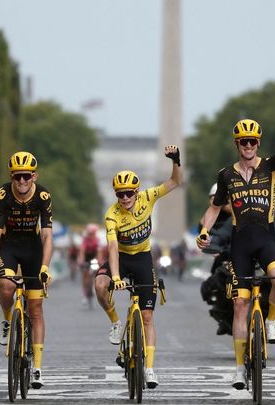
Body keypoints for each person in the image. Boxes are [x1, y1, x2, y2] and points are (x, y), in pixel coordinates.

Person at [196, 105, 275, 390]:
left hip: (265, 239)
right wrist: (204, 231)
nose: (248, 145)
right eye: (243, 141)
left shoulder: (270, 166)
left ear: (258, 143)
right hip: (240, 244)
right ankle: (240, 368)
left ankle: (270, 321)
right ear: (237, 144)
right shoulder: (225, 175)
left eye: (253, 141)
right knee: (240, 305)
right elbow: (214, 208)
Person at [94, 145, 183, 389]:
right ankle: (115, 321)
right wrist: (115, 276)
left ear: (137, 191)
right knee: (100, 285)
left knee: (147, 317)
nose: (124, 199)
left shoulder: (148, 197)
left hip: (143, 258)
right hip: (121, 259)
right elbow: (112, 248)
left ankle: (150, 369)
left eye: (128, 194)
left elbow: (176, 181)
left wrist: (176, 160)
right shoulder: (112, 215)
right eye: (119, 194)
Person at [0, 151, 53, 389]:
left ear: (34, 176)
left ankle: (37, 368)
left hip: (33, 250)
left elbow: (47, 235)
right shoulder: (4, 194)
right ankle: (6, 321)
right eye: (17, 177)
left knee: (35, 309)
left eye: (26, 176)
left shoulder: (43, 196)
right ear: (11, 177)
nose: (22, 181)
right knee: (6, 286)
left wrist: (44, 267)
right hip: (9, 247)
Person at [77, 223, 103, 307]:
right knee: (85, 275)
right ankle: (85, 294)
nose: (90, 235)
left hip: (94, 257)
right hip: (86, 258)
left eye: (92, 234)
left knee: (96, 271)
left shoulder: (97, 240)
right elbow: (82, 251)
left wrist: (99, 261)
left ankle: (93, 287)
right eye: (89, 233)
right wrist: (81, 261)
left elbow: (99, 252)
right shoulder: (85, 240)